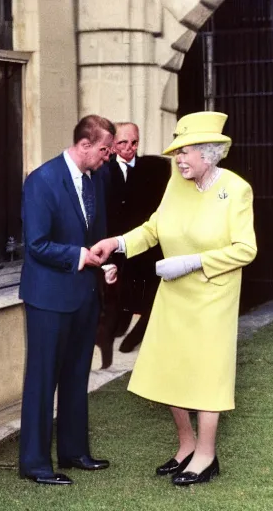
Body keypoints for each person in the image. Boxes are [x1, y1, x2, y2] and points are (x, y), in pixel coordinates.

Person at [91, 111, 257, 486]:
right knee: (171, 369)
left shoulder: (236, 189)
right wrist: (117, 244)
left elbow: (246, 250)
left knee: (206, 373)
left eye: (186, 151)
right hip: (174, 295)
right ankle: (186, 445)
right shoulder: (176, 183)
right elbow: (153, 228)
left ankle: (206, 455)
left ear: (210, 153)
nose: (179, 158)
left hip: (213, 296)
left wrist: (193, 261)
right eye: (177, 151)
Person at [18, 115, 117, 485]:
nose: (108, 157)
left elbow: (98, 236)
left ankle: (75, 452)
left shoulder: (96, 180)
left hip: (84, 295)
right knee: (43, 380)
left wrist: (104, 265)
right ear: (85, 144)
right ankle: (35, 464)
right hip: (47, 298)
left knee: (77, 376)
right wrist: (81, 257)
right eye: (105, 150)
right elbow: (37, 244)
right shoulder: (41, 181)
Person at [96, 122, 170, 368]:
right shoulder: (104, 171)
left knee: (152, 291)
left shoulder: (154, 169)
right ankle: (118, 327)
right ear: (113, 145)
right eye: (122, 143)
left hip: (147, 244)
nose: (129, 148)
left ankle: (139, 333)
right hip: (116, 244)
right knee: (116, 294)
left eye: (134, 143)